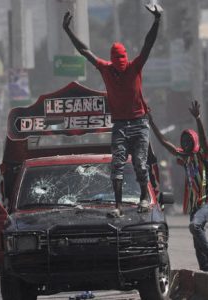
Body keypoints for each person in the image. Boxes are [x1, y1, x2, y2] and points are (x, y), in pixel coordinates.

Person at [62, 4, 163, 215]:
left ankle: (144, 198)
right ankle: (118, 206)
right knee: (116, 166)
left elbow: (148, 44)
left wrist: (157, 20)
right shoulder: (105, 68)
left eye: (122, 60)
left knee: (140, 164)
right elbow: (84, 50)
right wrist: (68, 30)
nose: (120, 65)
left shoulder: (135, 66)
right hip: (119, 124)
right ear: (112, 59)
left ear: (126, 58)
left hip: (139, 123)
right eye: (117, 61)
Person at [149, 100, 208, 271]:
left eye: (188, 140)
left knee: (194, 226)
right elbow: (165, 143)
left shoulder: (202, 156)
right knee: (196, 238)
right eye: (183, 141)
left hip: (205, 202)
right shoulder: (185, 157)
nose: (185, 143)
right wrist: (151, 122)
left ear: (194, 142)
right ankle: (204, 268)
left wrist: (197, 119)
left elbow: (203, 140)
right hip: (195, 206)